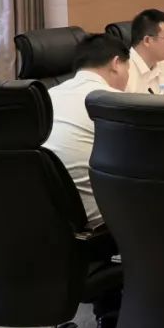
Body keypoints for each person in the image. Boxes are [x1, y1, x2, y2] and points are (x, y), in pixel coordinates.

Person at [44, 34, 130, 222]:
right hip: (96, 220)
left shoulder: (47, 95)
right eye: (128, 68)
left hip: (46, 216)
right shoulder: (114, 102)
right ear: (116, 63)